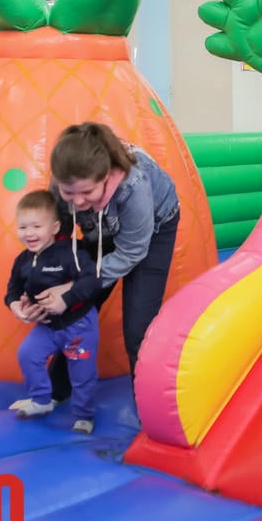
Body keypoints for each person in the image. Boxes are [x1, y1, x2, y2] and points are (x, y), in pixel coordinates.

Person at [40, 122, 181, 397]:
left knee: (138, 326)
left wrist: (76, 285)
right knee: (75, 308)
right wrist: (49, 280)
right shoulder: (62, 182)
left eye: (87, 193)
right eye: (69, 193)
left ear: (105, 177)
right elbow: (60, 236)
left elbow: (131, 252)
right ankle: (56, 391)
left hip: (153, 230)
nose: (78, 201)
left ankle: (148, 402)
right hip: (102, 226)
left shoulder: (133, 186)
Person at [5, 190, 101, 432]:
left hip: (78, 324)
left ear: (54, 227)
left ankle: (84, 415)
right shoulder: (23, 260)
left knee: (81, 373)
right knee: (27, 353)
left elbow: (92, 281)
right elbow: (12, 290)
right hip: (48, 326)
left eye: (37, 226)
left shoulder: (70, 253)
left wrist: (66, 300)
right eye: (23, 227)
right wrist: (15, 306)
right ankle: (41, 400)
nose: (29, 233)